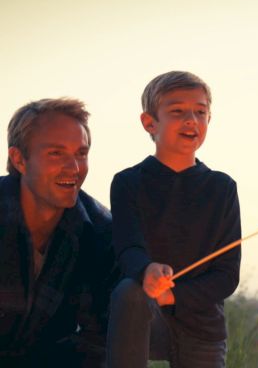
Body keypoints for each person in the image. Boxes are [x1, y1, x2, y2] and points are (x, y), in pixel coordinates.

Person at [107, 71, 241, 368]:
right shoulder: (127, 183)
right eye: (177, 111)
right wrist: (147, 270)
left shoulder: (222, 188)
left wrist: (174, 296)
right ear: (149, 123)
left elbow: (227, 276)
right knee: (128, 291)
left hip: (202, 325)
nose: (191, 119)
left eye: (200, 111)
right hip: (142, 316)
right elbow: (127, 248)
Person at [0, 98, 117, 367]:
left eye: (81, 153)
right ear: (18, 159)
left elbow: (96, 342)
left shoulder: (101, 233)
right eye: (56, 153)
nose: (74, 168)